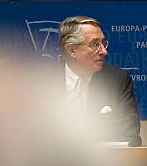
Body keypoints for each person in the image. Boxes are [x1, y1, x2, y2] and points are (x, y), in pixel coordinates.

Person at [59, 15, 141, 146]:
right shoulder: (42, 81)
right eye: (95, 44)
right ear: (72, 49)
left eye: (103, 43)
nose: (104, 51)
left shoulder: (117, 81)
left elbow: (130, 136)